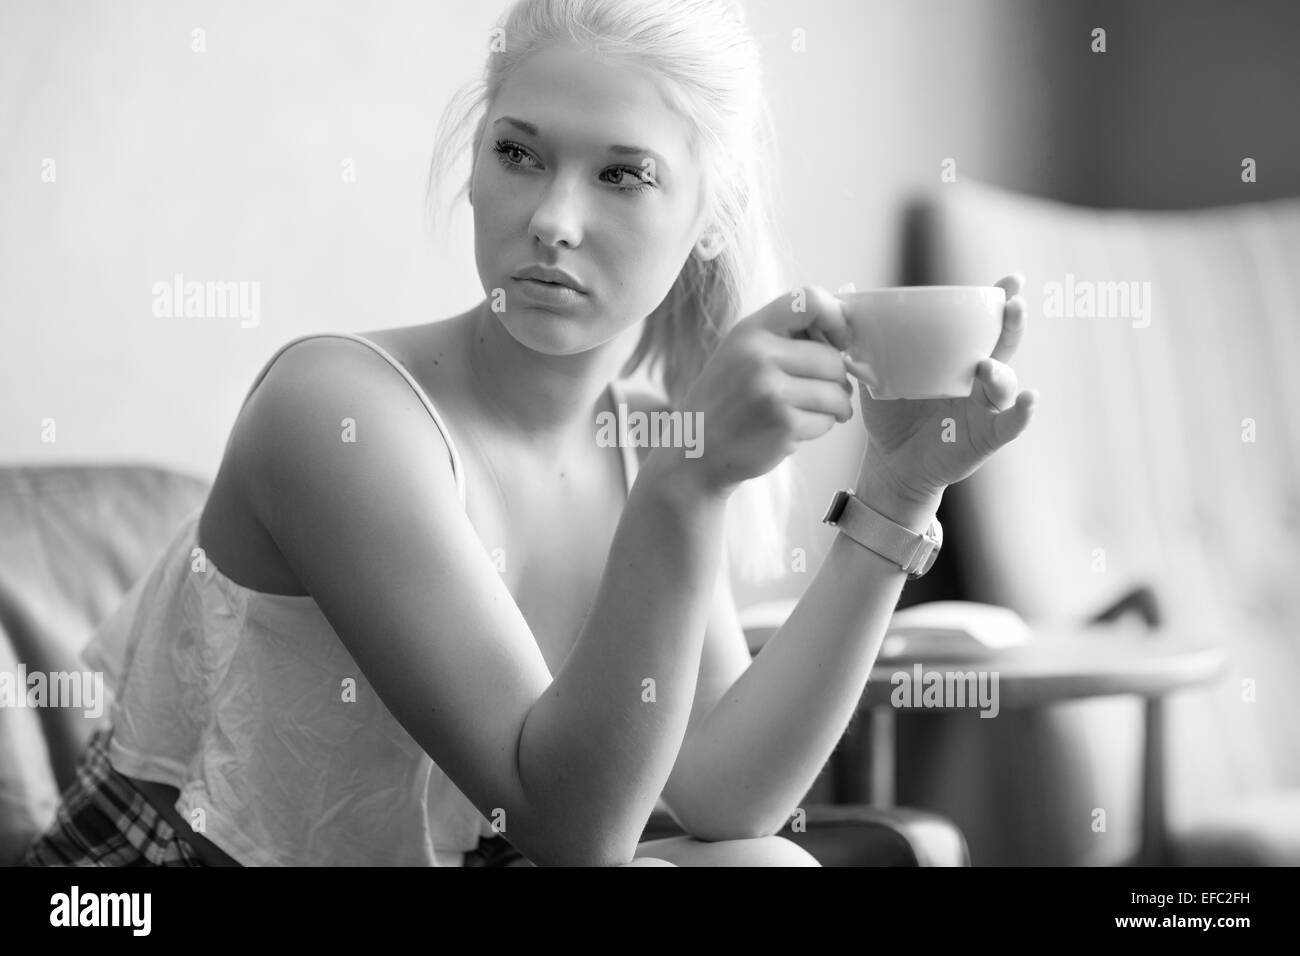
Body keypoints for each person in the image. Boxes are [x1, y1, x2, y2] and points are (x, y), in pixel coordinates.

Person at [24, 0, 1035, 867]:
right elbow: (567, 828)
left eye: (621, 174)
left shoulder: (642, 442)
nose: (552, 216)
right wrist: (684, 489)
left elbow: (728, 795)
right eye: (520, 152)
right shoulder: (336, 410)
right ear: (473, 166)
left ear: (709, 217)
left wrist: (899, 495)